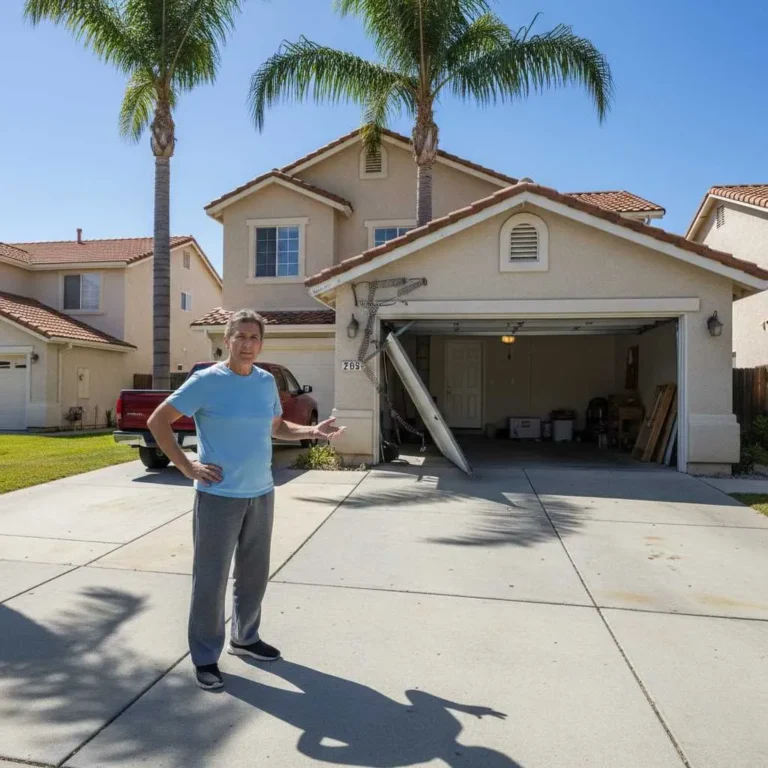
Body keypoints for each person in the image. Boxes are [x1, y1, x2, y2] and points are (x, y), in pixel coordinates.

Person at [147, 308, 345, 690]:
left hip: (261, 491)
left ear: (261, 343)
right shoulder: (206, 381)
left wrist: (313, 430)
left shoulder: (266, 381)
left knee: (253, 575)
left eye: (254, 337)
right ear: (227, 340)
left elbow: (276, 426)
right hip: (218, 496)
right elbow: (158, 421)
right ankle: (205, 656)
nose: (248, 344)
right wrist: (187, 466)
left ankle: (245, 637)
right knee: (211, 579)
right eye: (240, 336)